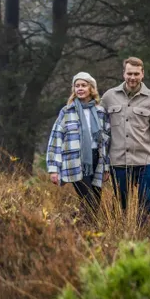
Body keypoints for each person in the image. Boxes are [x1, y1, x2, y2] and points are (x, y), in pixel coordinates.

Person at [101, 56, 150, 224]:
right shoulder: (109, 97)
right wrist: (101, 163)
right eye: (129, 73)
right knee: (120, 206)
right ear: (123, 74)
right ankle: (120, 237)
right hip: (118, 162)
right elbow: (101, 132)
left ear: (142, 74)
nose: (132, 77)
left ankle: (146, 237)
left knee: (147, 207)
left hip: (145, 161)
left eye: (136, 74)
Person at [46, 72, 111, 221]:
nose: (80, 88)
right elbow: (56, 139)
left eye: (83, 85)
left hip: (97, 160)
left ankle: (85, 228)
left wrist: (106, 167)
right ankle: (92, 228)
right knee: (88, 197)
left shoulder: (100, 112)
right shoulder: (67, 111)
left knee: (95, 198)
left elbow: (106, 141)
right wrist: (54, 169)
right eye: (77, 86)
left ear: (91, 88)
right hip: (76, 161)